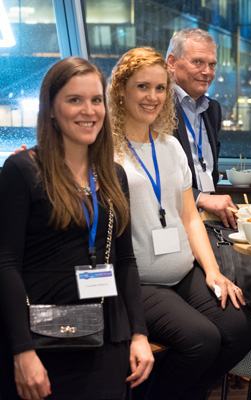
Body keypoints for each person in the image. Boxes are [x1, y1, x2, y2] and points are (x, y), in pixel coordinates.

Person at [109, 47, 251, 399]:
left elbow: (189, 215)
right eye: (142, 87)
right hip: (139, 281)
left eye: (160, 88)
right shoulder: (106, 149)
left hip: (182, 271)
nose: (153, 97)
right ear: (121, 90)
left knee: (242, 328)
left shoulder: (170, 146)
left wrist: (212, 271)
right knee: (202, 340)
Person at [0, 57, 153, 399]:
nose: (89, 110)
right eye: (74, 100)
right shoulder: (22, 171)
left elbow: (125, 261)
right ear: (51, 109)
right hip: (40, 337)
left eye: (96, 100)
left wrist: (138, 334)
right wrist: (22, 351)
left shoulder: (114, 176)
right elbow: (5, 264)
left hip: (105, 333)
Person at [166, 28, 238, 228]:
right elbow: (154, 175)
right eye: (197, 62)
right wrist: (200, 198)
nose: (207, 72)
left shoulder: (212, 109)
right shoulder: (156, 106)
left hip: (209, 220)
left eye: (212, 64)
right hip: (174, 221)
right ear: (172, 62)